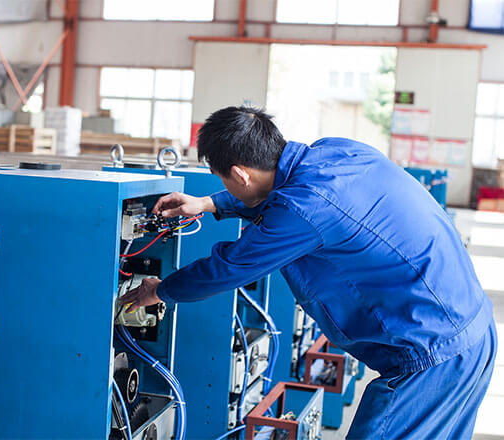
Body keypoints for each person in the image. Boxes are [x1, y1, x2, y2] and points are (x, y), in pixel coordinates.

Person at [118, 106, 496, 438]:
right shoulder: (335, 151)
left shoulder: (304, 208)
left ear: (240, 175)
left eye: (222, 179)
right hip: (471, 329)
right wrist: (209, 203)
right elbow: (281, 196)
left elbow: (229, 266)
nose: (223, 186)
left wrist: (160, 290)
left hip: (434, 353)